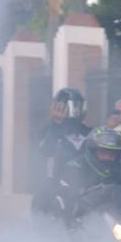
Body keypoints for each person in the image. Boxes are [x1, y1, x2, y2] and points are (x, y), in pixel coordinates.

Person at [53, 126, 121, 227]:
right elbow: (65, 195)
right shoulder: (75, 167)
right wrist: (79, 193)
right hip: (81, 218)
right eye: (104, 153)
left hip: (113, 218)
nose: (109, 157)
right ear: (92, 151)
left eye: (113, 154)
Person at [32, 87, 91, 216]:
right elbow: (45, 150)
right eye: (69, 107)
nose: (74, 111)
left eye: (77, 107)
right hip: (56, 184)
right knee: (42, 205)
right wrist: (56, 125)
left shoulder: (89, 132)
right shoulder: (49, 130)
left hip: (85, 185)